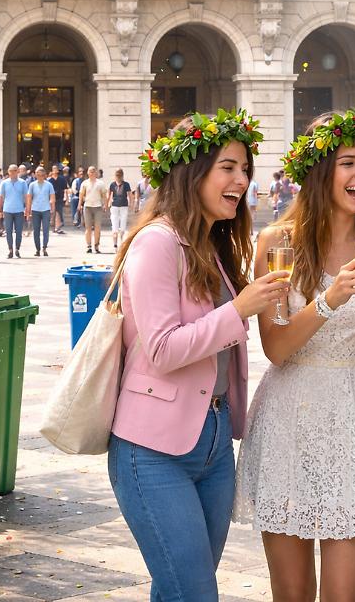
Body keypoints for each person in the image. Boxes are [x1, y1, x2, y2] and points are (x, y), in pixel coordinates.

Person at [109, 110, 289, 600]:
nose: (242, 179)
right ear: (193, 173)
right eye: (228, 167)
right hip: (153, 451)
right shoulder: (157, 243)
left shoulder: (210, 246)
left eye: (245, 168)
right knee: (193, 592)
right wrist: (239, 310)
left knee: (178, 589)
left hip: (212, 446)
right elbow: (163, 349)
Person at [234, 106, 355, 602]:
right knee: (291, 593)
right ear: (320, 172)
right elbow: (277, 348)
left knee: (345, 595)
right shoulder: (277, 241)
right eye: (348, 162)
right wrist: (329, 302)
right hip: (289, 415)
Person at [0, 163, 27, 259]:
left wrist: (27, 208)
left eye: (14, 171)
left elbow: (26, 196)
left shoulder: (23, 183)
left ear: (17, 171)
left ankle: (17, 248)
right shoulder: (4, 183)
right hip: (7, 210)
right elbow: (1, 197)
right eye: (10, 171)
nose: (12, 173)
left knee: (18, 231)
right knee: (8, 231)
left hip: (19, 210)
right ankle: (10, 249)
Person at [26, 165, 56, 257]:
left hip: (46, 209)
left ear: (44, 175)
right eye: (37, 174)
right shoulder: (32, 185)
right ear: (35, 175)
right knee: (36, 230)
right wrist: (28, 210)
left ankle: (44, 247)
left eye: (41, 175)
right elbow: (29, 198)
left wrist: (52, 209)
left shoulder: (49, 185)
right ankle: (37, 249)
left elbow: (52, 198)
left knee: (46, 230)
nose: (39, 176)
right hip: (35, 210)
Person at [81, 166, 108, 254]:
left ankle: (96, 245)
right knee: (88, 228)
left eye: (93, 171)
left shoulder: (100, 183)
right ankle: (88, 246)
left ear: (96, 173)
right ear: (88, 173)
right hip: (87, 206)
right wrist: (79, 205)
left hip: (97, 207)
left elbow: (104, 195)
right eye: (90, 171)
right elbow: (81, 194)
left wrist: (106, 205)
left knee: (97, 227)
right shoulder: (85, 183)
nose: (92, 173)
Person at [106, 168, 133, 251]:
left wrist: (131, 204)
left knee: (123, 225)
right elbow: (109, 194)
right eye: (117, 175)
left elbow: (129, 195)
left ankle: (121, 244)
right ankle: (115, 245)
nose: (118, 177)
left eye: (119, 175)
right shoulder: (112, 184)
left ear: (122, 175)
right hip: (114, 206)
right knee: (115, 226)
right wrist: (107, 204)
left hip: (124, 206)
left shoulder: (126, 184)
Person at [50, 164, 70, 234]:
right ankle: (54, 227)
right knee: (53, 213)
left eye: (56, 169)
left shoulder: (62, 179)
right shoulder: (50, 180)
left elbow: (65, 190)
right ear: (52, 170)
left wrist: (67, 200)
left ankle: (58, 227)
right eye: (54, 169)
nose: (55, 170)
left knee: (59, 212)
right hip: (52, 199)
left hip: (60, 198)